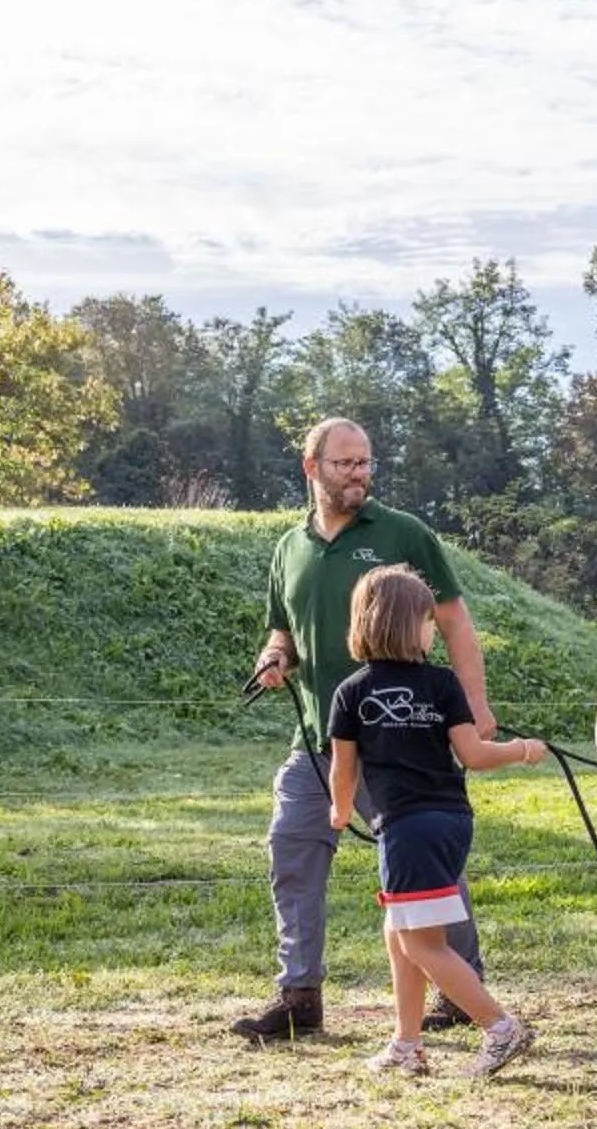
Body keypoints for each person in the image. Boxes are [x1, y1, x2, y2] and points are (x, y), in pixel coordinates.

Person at [233, 418, 500, 1042]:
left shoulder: (405, 534)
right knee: (292, 850)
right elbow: (285, 630)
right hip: (321, 741)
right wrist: (275, 658)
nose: (358, 473)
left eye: (365, 463)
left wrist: (475, 706)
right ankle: (299, 995)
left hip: (402, 736)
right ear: (311, 468)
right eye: (344, 463)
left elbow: (456, 623)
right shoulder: (288, 548)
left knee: (431, 863)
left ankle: (462, 991)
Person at [324, 566, 543, 1077]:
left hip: (407, 829)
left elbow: (343, 768)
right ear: (407, 624)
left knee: (422, 943)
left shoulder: (351, 693)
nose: (432, 630)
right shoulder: (443, 684)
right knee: (399, 932)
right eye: (428, 620)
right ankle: (407, 1043)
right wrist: (523, 751)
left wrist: (339, 811)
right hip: (447, 823)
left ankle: (500, 1027)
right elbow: (474, 755)